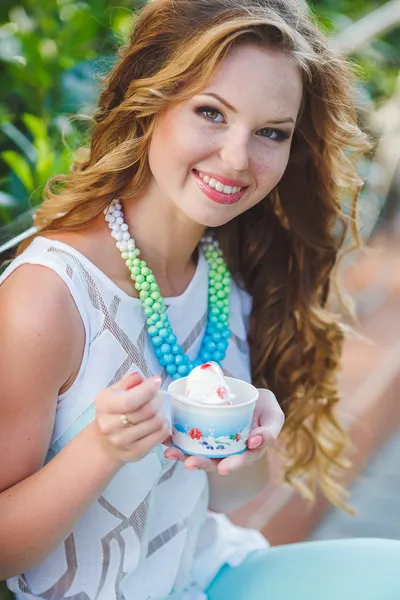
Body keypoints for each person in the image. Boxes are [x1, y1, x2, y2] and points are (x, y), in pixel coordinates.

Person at [1, 1, 399, 599]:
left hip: (206, 574)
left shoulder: (221, 268)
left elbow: (224, 490)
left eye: (271, 132)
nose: (238, 159)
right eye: (211, 113)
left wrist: (244, 446)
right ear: (149, 102)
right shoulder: (50, 298)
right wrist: (102, 449)